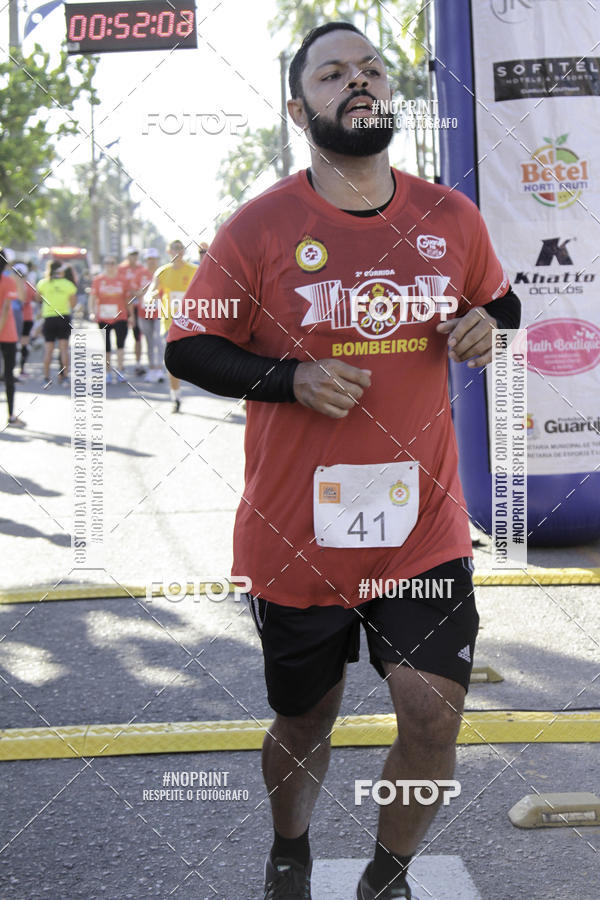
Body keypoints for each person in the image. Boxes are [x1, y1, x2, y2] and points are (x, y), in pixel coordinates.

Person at [166, 22, 521, 900]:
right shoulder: (259, 227)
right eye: (332, 74)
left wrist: (491, 326)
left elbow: (500, 301)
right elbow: (188, 346)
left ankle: (386, 874)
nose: (356, 82)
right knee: (305, 715)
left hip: (421, 528)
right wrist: (289, 378)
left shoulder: (450, 215)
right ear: (300, 108)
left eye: (370, 69)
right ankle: (291, 846)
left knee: (433, 718)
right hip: (297, 534)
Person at [152, 239, 196, 411]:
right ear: (168, 251)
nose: (177, 251)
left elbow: (206, 289)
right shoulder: (162, 272)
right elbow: (153, 291)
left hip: (192, 322)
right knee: (172, 362)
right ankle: (176, 397)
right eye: (174, 248)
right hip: (170, 322)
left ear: (184, 251)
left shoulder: (194, 270)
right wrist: (153, 296)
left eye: (180, 248)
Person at [90, 255, 132, 383]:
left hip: (121, 316)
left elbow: (127, 300)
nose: (110, 265)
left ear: (116, 265)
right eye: (107, 263)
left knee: (120, 345)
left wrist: (131, 316)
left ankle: (120, 371)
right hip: (103, 317)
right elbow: (92, 297)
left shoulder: (123, 280)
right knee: (106, 346)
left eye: (112, 263)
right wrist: (92, 312)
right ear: (104, 265)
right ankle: (107, 372)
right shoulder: (98, 280)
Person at [37, 259, 77, 386]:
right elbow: (73, 304)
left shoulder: (43, 283)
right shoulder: (68, 284)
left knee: (48, 349)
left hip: (49, 318)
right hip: (63, 317)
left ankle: (46, 377)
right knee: (64, 349)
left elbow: (38, 298)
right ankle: (65, 377)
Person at [0, 250, 25, 426]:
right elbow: (7, 308)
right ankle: (10, 416)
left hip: (7, 332)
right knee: (9, 375)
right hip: (7, 333)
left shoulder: (8, 279)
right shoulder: (8, 280)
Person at [119, 247, 150, 376]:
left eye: (136, 255)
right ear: (127, 256)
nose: (134, 257)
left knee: (137, 335)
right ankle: (120, 365)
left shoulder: (142, 269)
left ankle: (138, 364)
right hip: (122, 307)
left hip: (137, 307)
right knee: (121, 335)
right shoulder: (120, 269)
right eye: (131, 255)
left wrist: (137, 293)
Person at [139, 248, 165, 383]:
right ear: (146, 260)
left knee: (159, 340)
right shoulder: (140, 273)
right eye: (149, 259)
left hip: (159, 311)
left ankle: (160, 369)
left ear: (158, 260)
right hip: (143, 312)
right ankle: (151, 369)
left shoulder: (163, 272)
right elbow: (134, 292)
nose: (151, 262)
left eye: (154, 259)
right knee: (148, 341)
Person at [12, 263, 37, 379]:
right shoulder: (28, 285)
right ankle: (21, 369)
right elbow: (36, 298)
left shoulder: (9, 283)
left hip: (11, 318)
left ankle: (9, 371)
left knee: (11, 345)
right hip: (26, 318)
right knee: (23, 344)